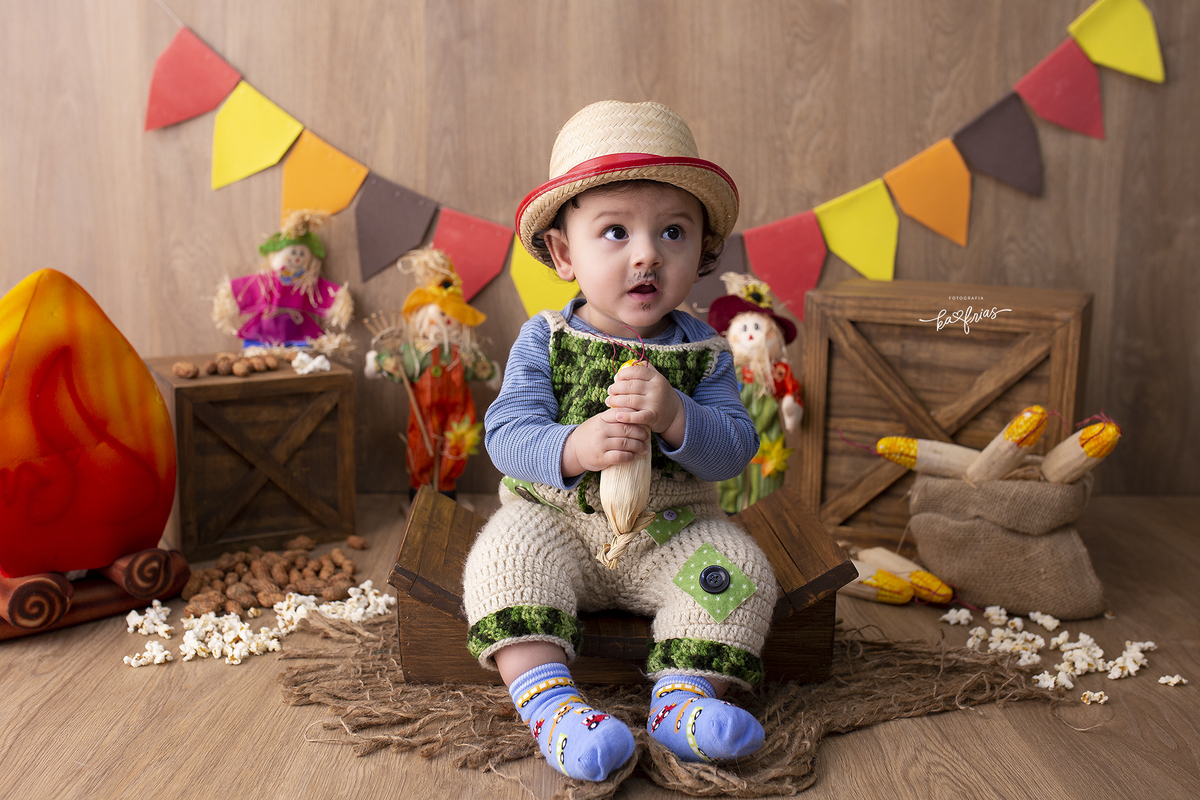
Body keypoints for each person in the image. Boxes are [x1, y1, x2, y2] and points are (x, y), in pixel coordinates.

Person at [461, 100, 780, 782]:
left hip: (672, 535)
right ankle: (555, 707)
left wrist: (677, 417)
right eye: (614, 232)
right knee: (502, 557)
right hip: (558, 526)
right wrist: (573, 447)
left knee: (739, 569)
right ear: (563, 252)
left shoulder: (707, 354)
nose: (646, 255)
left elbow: (735, 448)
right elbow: (507, 435)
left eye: (672, 232)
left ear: (702, 252)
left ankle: (684, 701)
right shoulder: (544, 340)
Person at [707, 273, 803, 513]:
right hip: (729, 435)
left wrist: (791, 408)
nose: (751, 334)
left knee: (767, 479)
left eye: (758, 327)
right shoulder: (725, 368)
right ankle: (727, 513)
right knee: (728, 476)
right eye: (745, 328)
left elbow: (791, 394)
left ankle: (764, 516)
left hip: (767, 437)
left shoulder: (776, 371)